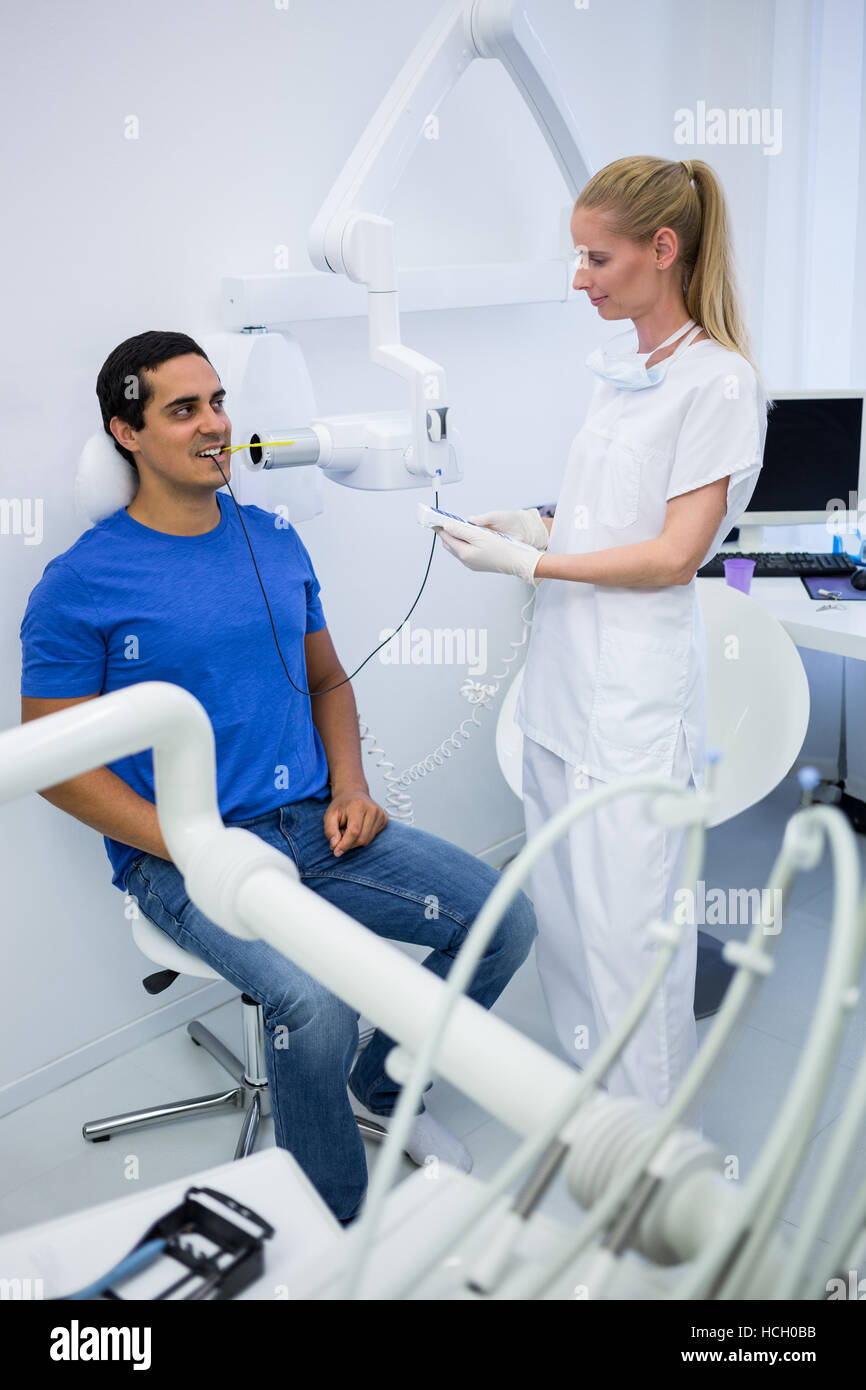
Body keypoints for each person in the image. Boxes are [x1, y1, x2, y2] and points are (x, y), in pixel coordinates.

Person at [18, 330, 537, 1226]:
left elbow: (329, 679)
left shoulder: (271, 539)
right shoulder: (81, 583)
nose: (216, 424)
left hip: (313, 824)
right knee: (316, 997)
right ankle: (330, 1227)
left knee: (504, 919)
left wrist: (351, 786)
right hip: (181, 856)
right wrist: (191, 843)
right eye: (185, 409)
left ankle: (374, 1084)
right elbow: (55, 765)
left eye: (219, 402)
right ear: (127, 432)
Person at [433, 156, 769, 1115]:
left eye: (596, 258)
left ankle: (651, 1168)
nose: (579, 278)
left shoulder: (719, 385)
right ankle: (595, 1121)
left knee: (634, 945)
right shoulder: (623, 372)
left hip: (630, 709)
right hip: (559, 694)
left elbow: (672, 556)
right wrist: (535, 527)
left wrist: (531, 568)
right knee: (571, 929)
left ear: (663, 251)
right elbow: (609, 516)